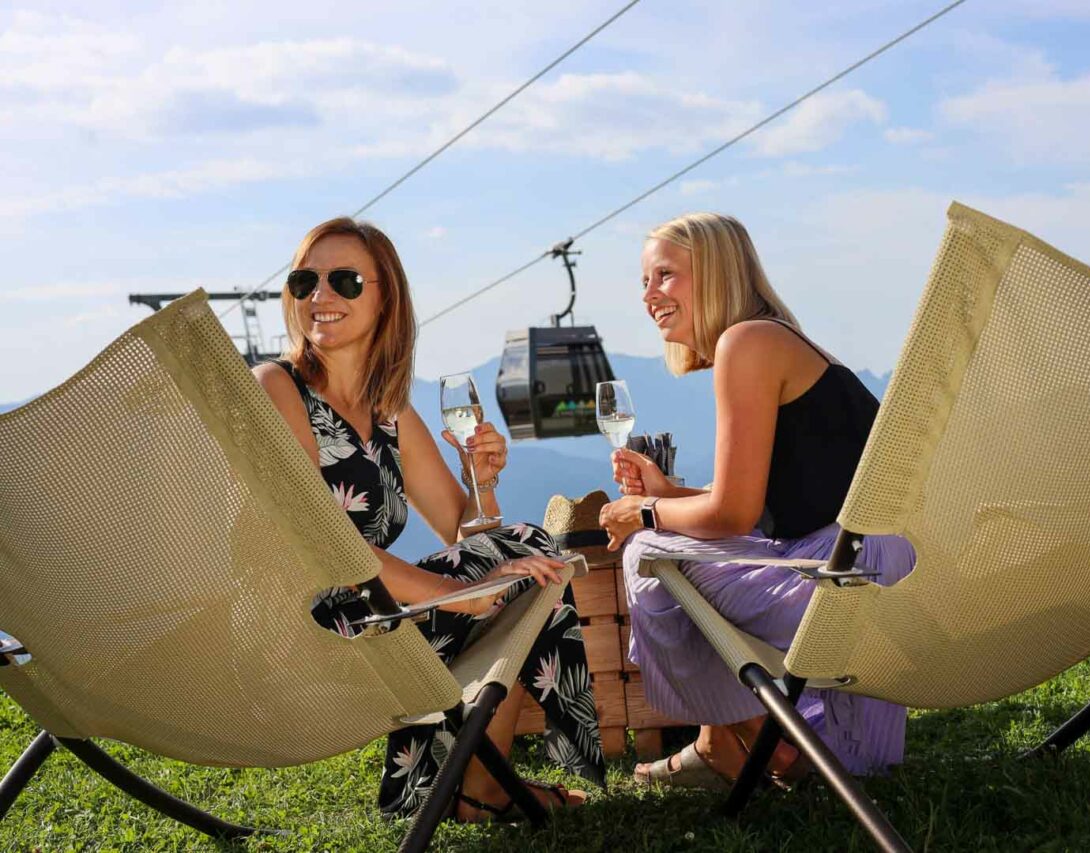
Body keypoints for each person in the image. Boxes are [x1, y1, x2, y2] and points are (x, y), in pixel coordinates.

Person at [253, 217, 603, 820]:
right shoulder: (277, 386)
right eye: (305, 280)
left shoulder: (389, 410)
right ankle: (488, 782)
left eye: (344, 280)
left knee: (524, 556)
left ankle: (474, 787)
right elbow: (320, 544)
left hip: (375, 612)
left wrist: (481, 482)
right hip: (304, 627)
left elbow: (465, 531)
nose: (320, 295)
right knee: (521, 559)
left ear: (386, 296)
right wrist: (452, 594)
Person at [598, 212, 916, 789]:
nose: (649, 296)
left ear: (715, 272)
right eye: (645, 282)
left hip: (848, 576)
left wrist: (643, 511)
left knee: (648, 554)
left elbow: (731, 517)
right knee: (672, 542)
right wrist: (673, 495)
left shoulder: (747, 342)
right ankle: (723, 741)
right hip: (875, 568)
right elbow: (775, 501)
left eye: (664, 275)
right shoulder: (776, 339)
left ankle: (761, 744)